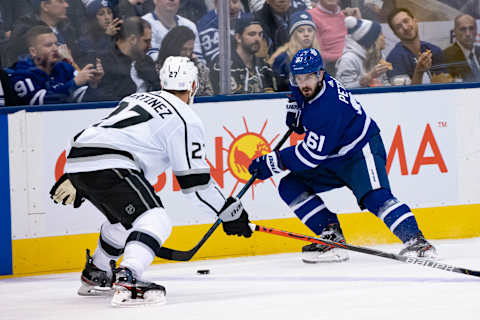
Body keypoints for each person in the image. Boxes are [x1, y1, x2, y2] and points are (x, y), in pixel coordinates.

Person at [49, 56, 252, 306]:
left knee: (125, 223)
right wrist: (229, 212)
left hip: (78, 156)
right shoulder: (185, 118)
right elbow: (196, 187)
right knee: (155, 219)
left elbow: (100, 132)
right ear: (193, 86)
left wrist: (74, 174)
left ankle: (98, 273)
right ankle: (129, 276)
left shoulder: (135, 98)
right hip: (112, 161)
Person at [247, 48, 437, 263]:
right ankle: (331, 236)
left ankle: (417, 241)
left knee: (375, 196)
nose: (302, 83)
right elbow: (298, 95)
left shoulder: (327, 107)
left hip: (358, 150)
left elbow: (310, 155)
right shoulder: (308, 83)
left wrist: (274, 161)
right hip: (332, 154)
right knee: (291, 186)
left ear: (320, 74)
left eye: (308, 77)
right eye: (298, 78)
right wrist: (295, 107)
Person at [6, 26, 103, 105]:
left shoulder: (65, 68)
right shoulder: (21, 75)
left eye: (56, 44)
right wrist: (74, 83)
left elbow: (83, 99)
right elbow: (42, 102)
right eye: (48, 45)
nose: (55, 48)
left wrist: (93, 84)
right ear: (33, 51)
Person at [93, 17, 159, 101]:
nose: (150, 47)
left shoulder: (146, 60)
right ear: (132, 39)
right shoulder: (104, 62)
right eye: (146, 41)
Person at [5, 0, 80, 68]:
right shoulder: (25, 30)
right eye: (60, 1)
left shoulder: (67, 28)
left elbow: (79, 56)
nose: (66, 5)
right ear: (45, 6)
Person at [210, 15, 274, 94]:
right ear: (238, 38)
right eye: (252, 34)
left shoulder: (265, 67)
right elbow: (232, 101)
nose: (257, 39)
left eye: (260, 34)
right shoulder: (223, 66)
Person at [386, 8, 445, 85]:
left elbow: (444, 84)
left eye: (406, 21)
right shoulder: (393, 59)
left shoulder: (434, 50)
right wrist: (419, 71)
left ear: (415, 21)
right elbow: (404, 94)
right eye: (398, 27)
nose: (405, 28)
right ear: (395, 33)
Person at [268, 10, 320, 91]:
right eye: (300, 31)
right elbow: (276, 89)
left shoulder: (319, 58)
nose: (306, 34)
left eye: (310, 30)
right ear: (294, 35)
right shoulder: (282, 58)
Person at [156, 26, 214, 96]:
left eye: (191, 49)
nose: (188, 53)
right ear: (173, 47)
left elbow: (209, 95)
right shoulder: (160, 68)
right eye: (184, 49)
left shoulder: (199, 68)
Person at [308, 0, 361, 76]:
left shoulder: (346, 15)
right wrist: (344, 57)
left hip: (352, 62)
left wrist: (358, 20)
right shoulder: (310, 16)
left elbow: (362, 45)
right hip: (329, 67)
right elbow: (316, 52)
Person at [336, 16, 390, 88]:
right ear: (372, 40)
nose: (384, 37)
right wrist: (367, 78)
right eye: (380, 34)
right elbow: (342, 89)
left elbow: (385, 81)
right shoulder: (348, 59)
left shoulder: (381, 56)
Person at [197, 0, 245, 65]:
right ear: (216, 3)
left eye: (235, 2)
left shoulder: (250, 20)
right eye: (226, 3)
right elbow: (216, 61)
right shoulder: (205, 25)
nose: (231, 7)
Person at [77, 0, 121, 67]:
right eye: (101, 14)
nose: (107, 17)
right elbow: (96, 60)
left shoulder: (116, 33)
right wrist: (107, 36)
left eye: (109, 13)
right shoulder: (84, 41)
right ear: (92, 18)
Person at [443, 14, 480, 82]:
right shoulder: (446, 56)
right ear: (455, 31)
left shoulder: (479, 51)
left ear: (476, 30)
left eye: (471, 28)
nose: (468, 34)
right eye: (463, 29)